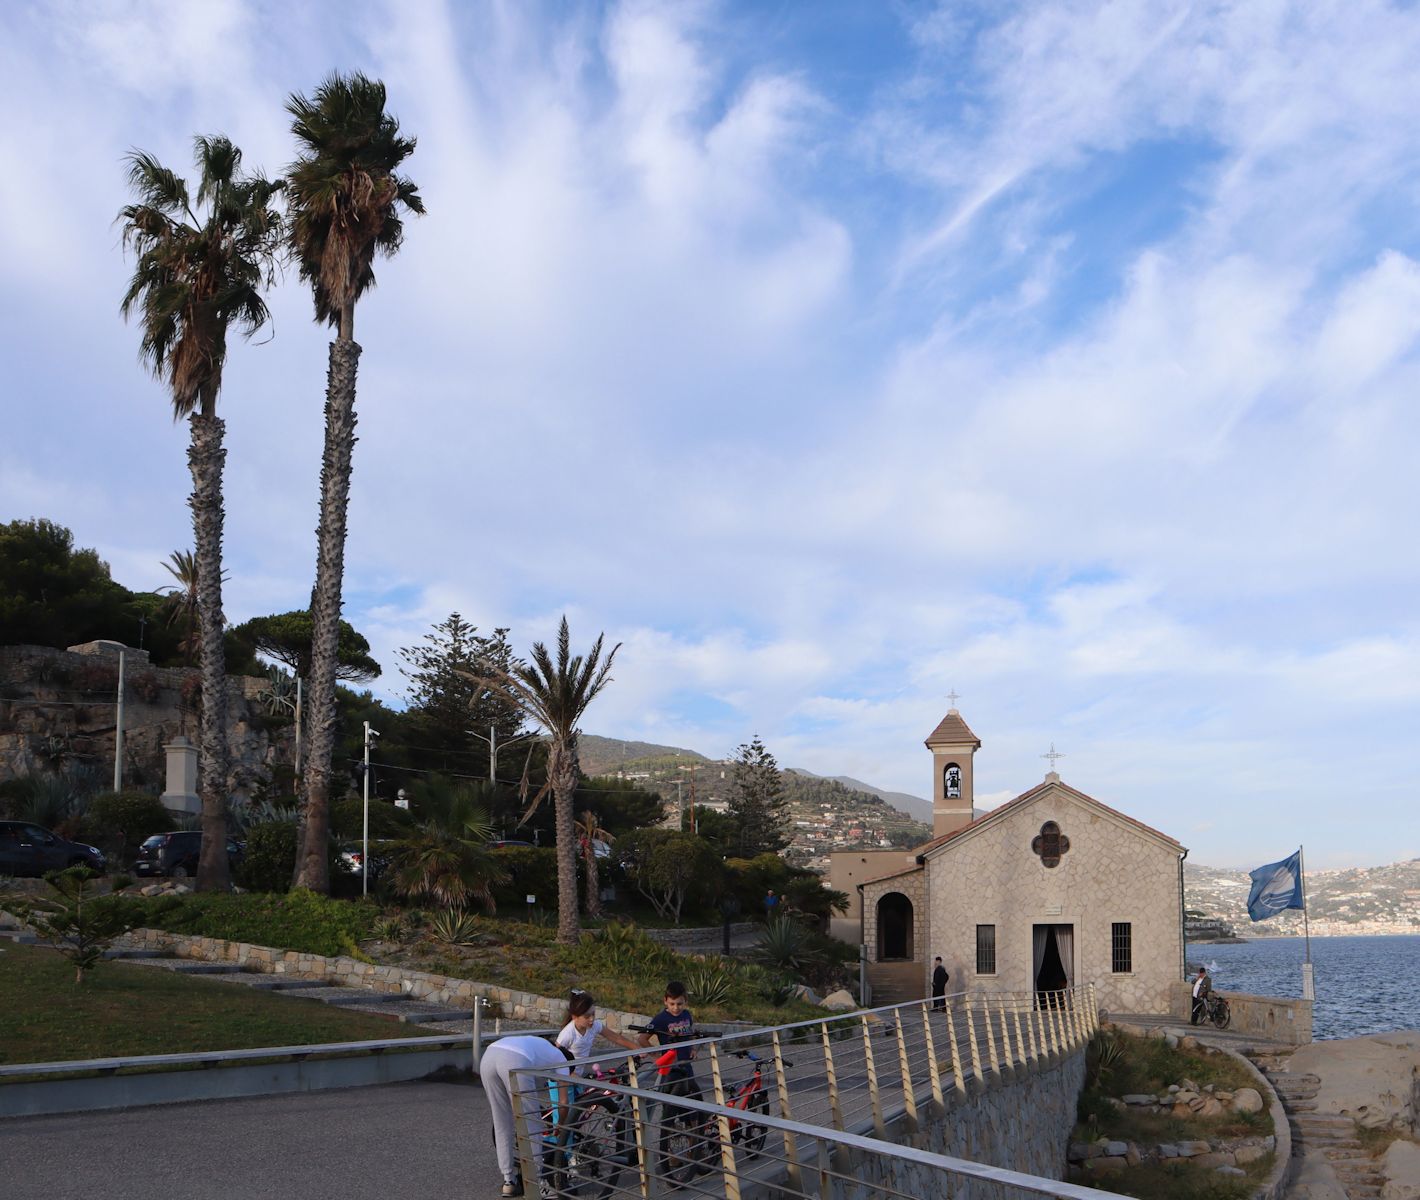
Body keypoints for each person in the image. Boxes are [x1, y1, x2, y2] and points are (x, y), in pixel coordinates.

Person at [480, 1034, 573, 1199]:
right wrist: (560, 1125)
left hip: (489, 1055)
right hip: (515, 1059)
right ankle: (537, 1183)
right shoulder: (563, 1060)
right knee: (532, 1123)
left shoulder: (541, 1046)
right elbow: (563, 1102)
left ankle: (509, 1182)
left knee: (501, 1121)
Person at [636, 981, 706, 1173]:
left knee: (693, 1110)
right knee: (670, 1113)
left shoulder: (687, 1015)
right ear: (665, 1001)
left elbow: (689, 1034)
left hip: (686, 1068)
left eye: (680, 1004)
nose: (676, 1008)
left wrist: (692, 1048)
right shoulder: (660, 1019)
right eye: (672, 1003)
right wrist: (657, 1056)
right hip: (670, 1072)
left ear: (685, 1002)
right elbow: (642, 1038)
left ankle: (695, 1150)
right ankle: (670, 1156)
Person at [556, 989, 640, 1070]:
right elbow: (554, 1058)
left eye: (593, 1014)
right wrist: (571, 1075)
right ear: (574, 1017)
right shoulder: (567, 1034)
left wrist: (637, 1049)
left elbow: (615, 1037)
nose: (592, 1019)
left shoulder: (594, 1025)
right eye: (587, 1016)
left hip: (577, 1075)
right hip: (564, 1078)